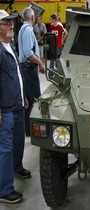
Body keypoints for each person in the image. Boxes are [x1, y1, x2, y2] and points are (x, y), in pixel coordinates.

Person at [0, 10, 31, 204]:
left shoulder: (10, 45)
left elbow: (17, 74)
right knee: (5, 148)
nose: (12, 25)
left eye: (11, 22)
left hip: (17, 103)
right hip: (6, 108)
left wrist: (24, 96)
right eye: (6, 23)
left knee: (19, 140)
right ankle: (4, 190)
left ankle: (17, 167)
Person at [18, 7, 45, 136]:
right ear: (33, 18)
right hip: (29, 69)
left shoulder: (22, 29)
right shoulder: (28, 30)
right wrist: (40, 63)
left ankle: (28, 129)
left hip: (26, 68)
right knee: (33, 100)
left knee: (28, 99)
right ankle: (31, 130)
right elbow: (29, 53)